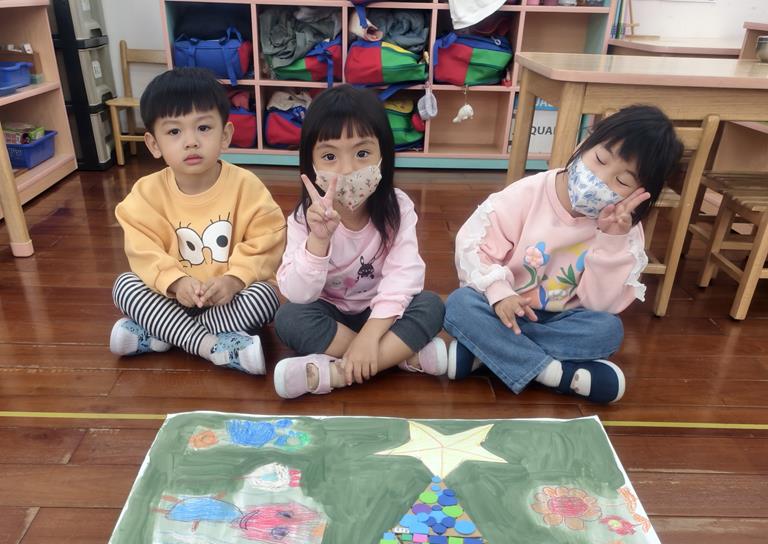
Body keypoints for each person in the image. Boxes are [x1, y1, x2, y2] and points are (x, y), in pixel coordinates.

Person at [443, 105, 684, 404]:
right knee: (459, 305)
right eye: (599, 159)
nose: (600, 178)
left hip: (563, 320)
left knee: (608, 330)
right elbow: (474, 246)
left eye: (622, 182)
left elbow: (601, 305)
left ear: (641, 194)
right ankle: (556, 375)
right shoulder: (527, 193)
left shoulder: (624, 231)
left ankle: (487, 352)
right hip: (504, 309)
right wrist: (500, 294)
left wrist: (611, 241)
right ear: (584, 144)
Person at [273, 85, 446, 399]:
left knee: (431, 305)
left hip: (381, 314)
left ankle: (338, 373)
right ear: (310, 163)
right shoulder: (303, 218)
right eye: (329, 156)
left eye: (362, 153)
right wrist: (318, 241)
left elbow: (404, 277)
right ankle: (397, 357)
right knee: (289, 318)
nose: (347, 169)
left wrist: (370, 336)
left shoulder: (399, 207)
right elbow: (298, 293)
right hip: (332, 315)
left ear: (383, 155)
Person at [111, 67, 286, 375]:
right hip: (168, 298)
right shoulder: (146, 193)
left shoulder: (247, 186)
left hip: (227, 301)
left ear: (225, 135)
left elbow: (267, 239)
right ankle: (211, 346)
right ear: (154, 144)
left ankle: (161, 334)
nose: (191, 141)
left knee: (266, 297)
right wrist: (176, 282)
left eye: (203, 128)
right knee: (124, 286)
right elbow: (143, 251)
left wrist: (234, 280)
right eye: (174, 132)